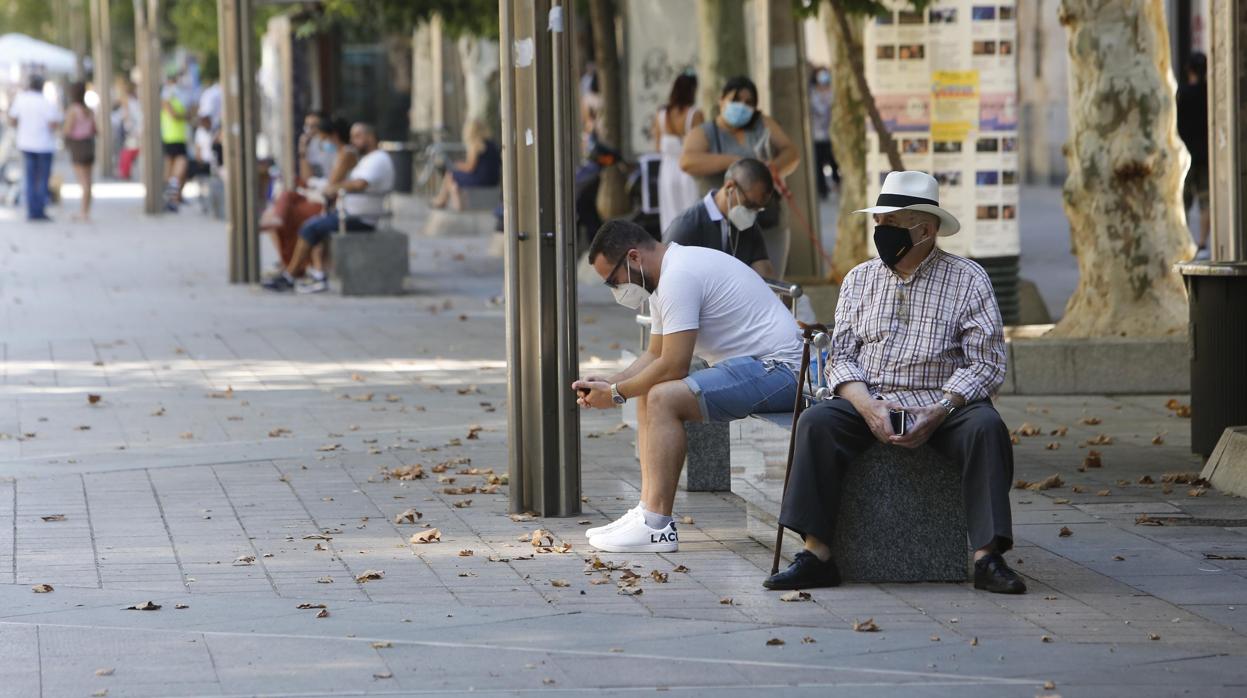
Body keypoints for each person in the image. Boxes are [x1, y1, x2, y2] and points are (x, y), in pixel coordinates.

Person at [762, 171, 1025, 596]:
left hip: (943, 400)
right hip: (872, 395)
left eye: (893, 225)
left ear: (926, 230)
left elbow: (988, 363)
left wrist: (940, 409)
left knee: (986, 428)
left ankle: (987, 557)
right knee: (817, 423)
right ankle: (816, 554)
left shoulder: (969, 279)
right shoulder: (859, 279)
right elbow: (841, 357)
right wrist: (866, 406)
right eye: (879, 223)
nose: (882, 233)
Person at [572, 220, 803, 553]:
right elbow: (654, 355)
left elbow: (674, 365)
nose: (615, 290)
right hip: (757, 367)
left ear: (634, 257)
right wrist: (609, 382)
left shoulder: (679, 277)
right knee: (648, 391)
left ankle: (656, 525)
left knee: (663, 397)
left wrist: (618, 394)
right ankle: (646, 511)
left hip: (784, 372)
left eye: (613, 280)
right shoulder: (663, 275)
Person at [680, 76, 800, 275]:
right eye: (736, 100)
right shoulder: (705, 132)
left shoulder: (762, 123)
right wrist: (733, 162)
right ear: (721, 100)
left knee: (771, 281)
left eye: (749, 102)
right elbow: (687, 162)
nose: (742, 106)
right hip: (725, 223)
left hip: (767, 221)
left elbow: (792, 153)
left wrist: (771, 169)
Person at [263, 122, 393, 294]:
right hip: (349, 213)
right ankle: (315, 274)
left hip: (360, 217)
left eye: (357, 136)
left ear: (370, 137)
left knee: (309, 227)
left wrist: (336, 188)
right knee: (313, 222)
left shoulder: (378, 159)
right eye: (352, 136)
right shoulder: (368, 159)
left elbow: (360, 183)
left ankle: (291, 276)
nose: (353, 141)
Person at [259, 117, 357, 270]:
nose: (320, 141)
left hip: (333, 203)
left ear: (334, 135)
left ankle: (291, 269)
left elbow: (331, 185)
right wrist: (303, 150)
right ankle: (289, 265)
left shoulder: (346, 154)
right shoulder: (337, 152)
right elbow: (308, 178)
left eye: (323, 137)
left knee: (292, 217)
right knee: (287, 197)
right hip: (327, 198)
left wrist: (314, 184)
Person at [664, 158, 775, 277]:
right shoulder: (687, 225)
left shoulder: (750, 227)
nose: (752, 213)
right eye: (749, 204)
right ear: (729, 187)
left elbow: (765, 277)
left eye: (758, 209)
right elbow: (666, 277)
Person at [6, 74, 62, 221]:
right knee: (43, 178)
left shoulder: (21, 100)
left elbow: (12, 120)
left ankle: (32, 210)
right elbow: (53, 124)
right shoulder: (47, 102)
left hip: (26, 143)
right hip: (44, 144)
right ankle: (40, 210)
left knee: (30, 178)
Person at [653, 72, 703, 231]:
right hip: (689, 170)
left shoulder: (661, 115)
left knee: (670, 216)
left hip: (667, 170)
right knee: (691, 213)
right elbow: (701, 145)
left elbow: (657, 147)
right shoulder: (695, 114)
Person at [1176, 51, 1209, 258]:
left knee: (1182, 202)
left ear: (1189, 70)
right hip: (1205, 156)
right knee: (1206, 201)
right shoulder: (1208, 93)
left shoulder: (1182, 93)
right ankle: (1202, 243)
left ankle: (1185, 240)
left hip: (1186, 156)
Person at [431, 118, 501, 210]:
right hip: (493, 180)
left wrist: (457, 165)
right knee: (453, 179)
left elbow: (470, 167)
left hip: (480, 180)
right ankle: (449, 200)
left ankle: (445, 201)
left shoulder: (476, 144)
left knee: (450, 175)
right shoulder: (491, 143)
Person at [63, 81, 97, 221]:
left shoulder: (73, 109)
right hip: (89, 144)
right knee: (88, 181)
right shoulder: (89, 110)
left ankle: (83, 212)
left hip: (77, 145)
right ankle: (86, 211)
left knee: (82, 181)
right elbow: (95, 129)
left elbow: (67, 129)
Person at [809, 66, 839, 198]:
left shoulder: (833, 92)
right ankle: (823, 191)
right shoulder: (811, 93)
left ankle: (837, 183)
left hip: (831, 135)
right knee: (819, 165)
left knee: (834, 162)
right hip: (817, 137)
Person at [161, 74, 190, 207]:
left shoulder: (178, 97)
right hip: (171, 137)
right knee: (177, 170)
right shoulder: (167, 96)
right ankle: (171, 197)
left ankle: (172, 197)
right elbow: (174, 115)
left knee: (174, 170)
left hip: (178, 137)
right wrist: (185, 116)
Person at [115, 78, 142, 180]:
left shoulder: (130, 99)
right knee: (129, 149)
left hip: (132, 127)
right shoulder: (130, 100)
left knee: (129, 149)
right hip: (132, 127)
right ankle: (125, 172)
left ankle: (125, 171)